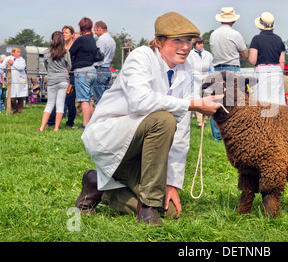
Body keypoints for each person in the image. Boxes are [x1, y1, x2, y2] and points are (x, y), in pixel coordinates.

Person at [75, 12, 223, 226]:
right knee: (163, 119)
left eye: (188, 41)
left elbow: (181, 131)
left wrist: (172, 183)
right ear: (159, 41)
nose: (185, 47)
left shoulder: (185, 68)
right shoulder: (140, 56)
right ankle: (149, 206)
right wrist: (191, 104)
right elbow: (140, 102)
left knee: (170, 211)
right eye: (177, 40)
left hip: (145, 154)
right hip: (113, 139)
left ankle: (99, 185)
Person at [209, 7, 248, 141]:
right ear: (233, 20)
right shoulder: (235, 34)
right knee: (237, 104)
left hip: (217, 70)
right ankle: (236, 134)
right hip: (232, 69)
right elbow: (245, 53)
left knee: (216, 103)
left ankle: (217, 136)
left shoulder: (213, 34)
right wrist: (237, 54)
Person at [248, 12, 286, 105]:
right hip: (277, 71)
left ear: (260, 26)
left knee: (262, 101)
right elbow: (282, 61)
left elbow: (252, 60)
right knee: (278, 102)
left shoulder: (256, 39)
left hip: (262, 71)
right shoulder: (279, 39)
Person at [38, 31, 71, 132]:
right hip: (63, 80)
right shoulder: (66, 52)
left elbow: (46, 66)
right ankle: (56, 128)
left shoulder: (46, 52)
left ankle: (42, 127)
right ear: (62, 40)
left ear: (52, 40)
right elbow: (69, 67)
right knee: (60, 104)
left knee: (49, 104)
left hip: (52, 79)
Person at [69, 17, 98, 129]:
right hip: (92, 70)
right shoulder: (92, 39)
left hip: (82, 71)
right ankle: (91, 123)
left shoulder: (81, 39)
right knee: (89, 99)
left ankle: (85, 124)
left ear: (81, 27)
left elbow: (70, 52)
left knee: (83, 100)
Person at [48, 25, 78, 129]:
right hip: (59, 77)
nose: (64, 34)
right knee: (56, 100)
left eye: (66, 33)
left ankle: (70, 121)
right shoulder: (59, 45)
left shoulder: (75, 46)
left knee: (70, 99)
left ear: (72, 34)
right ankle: (52, 121)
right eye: (63, 33)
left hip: (70, 75)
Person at [186, 36, 213, 127]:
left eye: (202, 43)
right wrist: (200, 77)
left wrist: (208, 77)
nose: (201, 45)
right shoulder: (190, 55)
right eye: (199, 43)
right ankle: (200, 123)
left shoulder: (208, 54)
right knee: (198, 100)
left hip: (207, 79)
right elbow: (189, 69)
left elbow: (212, 68)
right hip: (196, 81)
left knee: (206, 99)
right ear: (194, 44)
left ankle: (205, 119)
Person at [93, 21, 116, 105]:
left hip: (100, 69)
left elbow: (99, 56)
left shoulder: (101, 40)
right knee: (106, 99)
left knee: (98, 99)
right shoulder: (112, 41)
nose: (95, 33)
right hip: (107, 70)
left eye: (95, 30)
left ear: (99, 29)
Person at [0, 47, 28, 114]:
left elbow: (21, 68)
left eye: (20, 52)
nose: (19, 54)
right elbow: (2, 67)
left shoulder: (22, 60)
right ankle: (14, 110)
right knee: (12, 97)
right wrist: (6, 64)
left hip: (21, 80)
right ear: (13, 53)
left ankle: (19, 111)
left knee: (20, 97)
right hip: (12, 80)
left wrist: (13, 63)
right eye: (18, 52)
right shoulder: (8, 58)